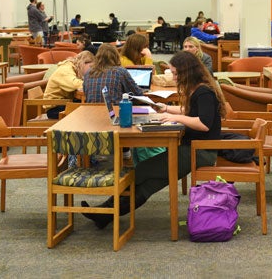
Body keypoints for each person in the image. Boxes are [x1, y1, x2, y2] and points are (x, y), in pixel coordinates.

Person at [80, 51, 225, 229]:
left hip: (200, 151)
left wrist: (177, 119)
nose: (174, 77)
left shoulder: (204, 92)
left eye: (176, 73)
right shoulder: (198, 90)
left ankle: (106, 211)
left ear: (187, 72)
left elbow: (203, 123)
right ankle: (106, 214)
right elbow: (191, 112)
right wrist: (167, 109)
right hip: (192, 148)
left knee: (142, 170)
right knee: (149, 184)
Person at [43, 51, 95, 119]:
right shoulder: (66, 69)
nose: (91, 70)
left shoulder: (73, 68)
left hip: (62, 103)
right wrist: (94, 83)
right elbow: (75, 84)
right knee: (85, 111)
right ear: (84, 63)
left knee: (86, 107)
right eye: (91, 67)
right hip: (54, 108)